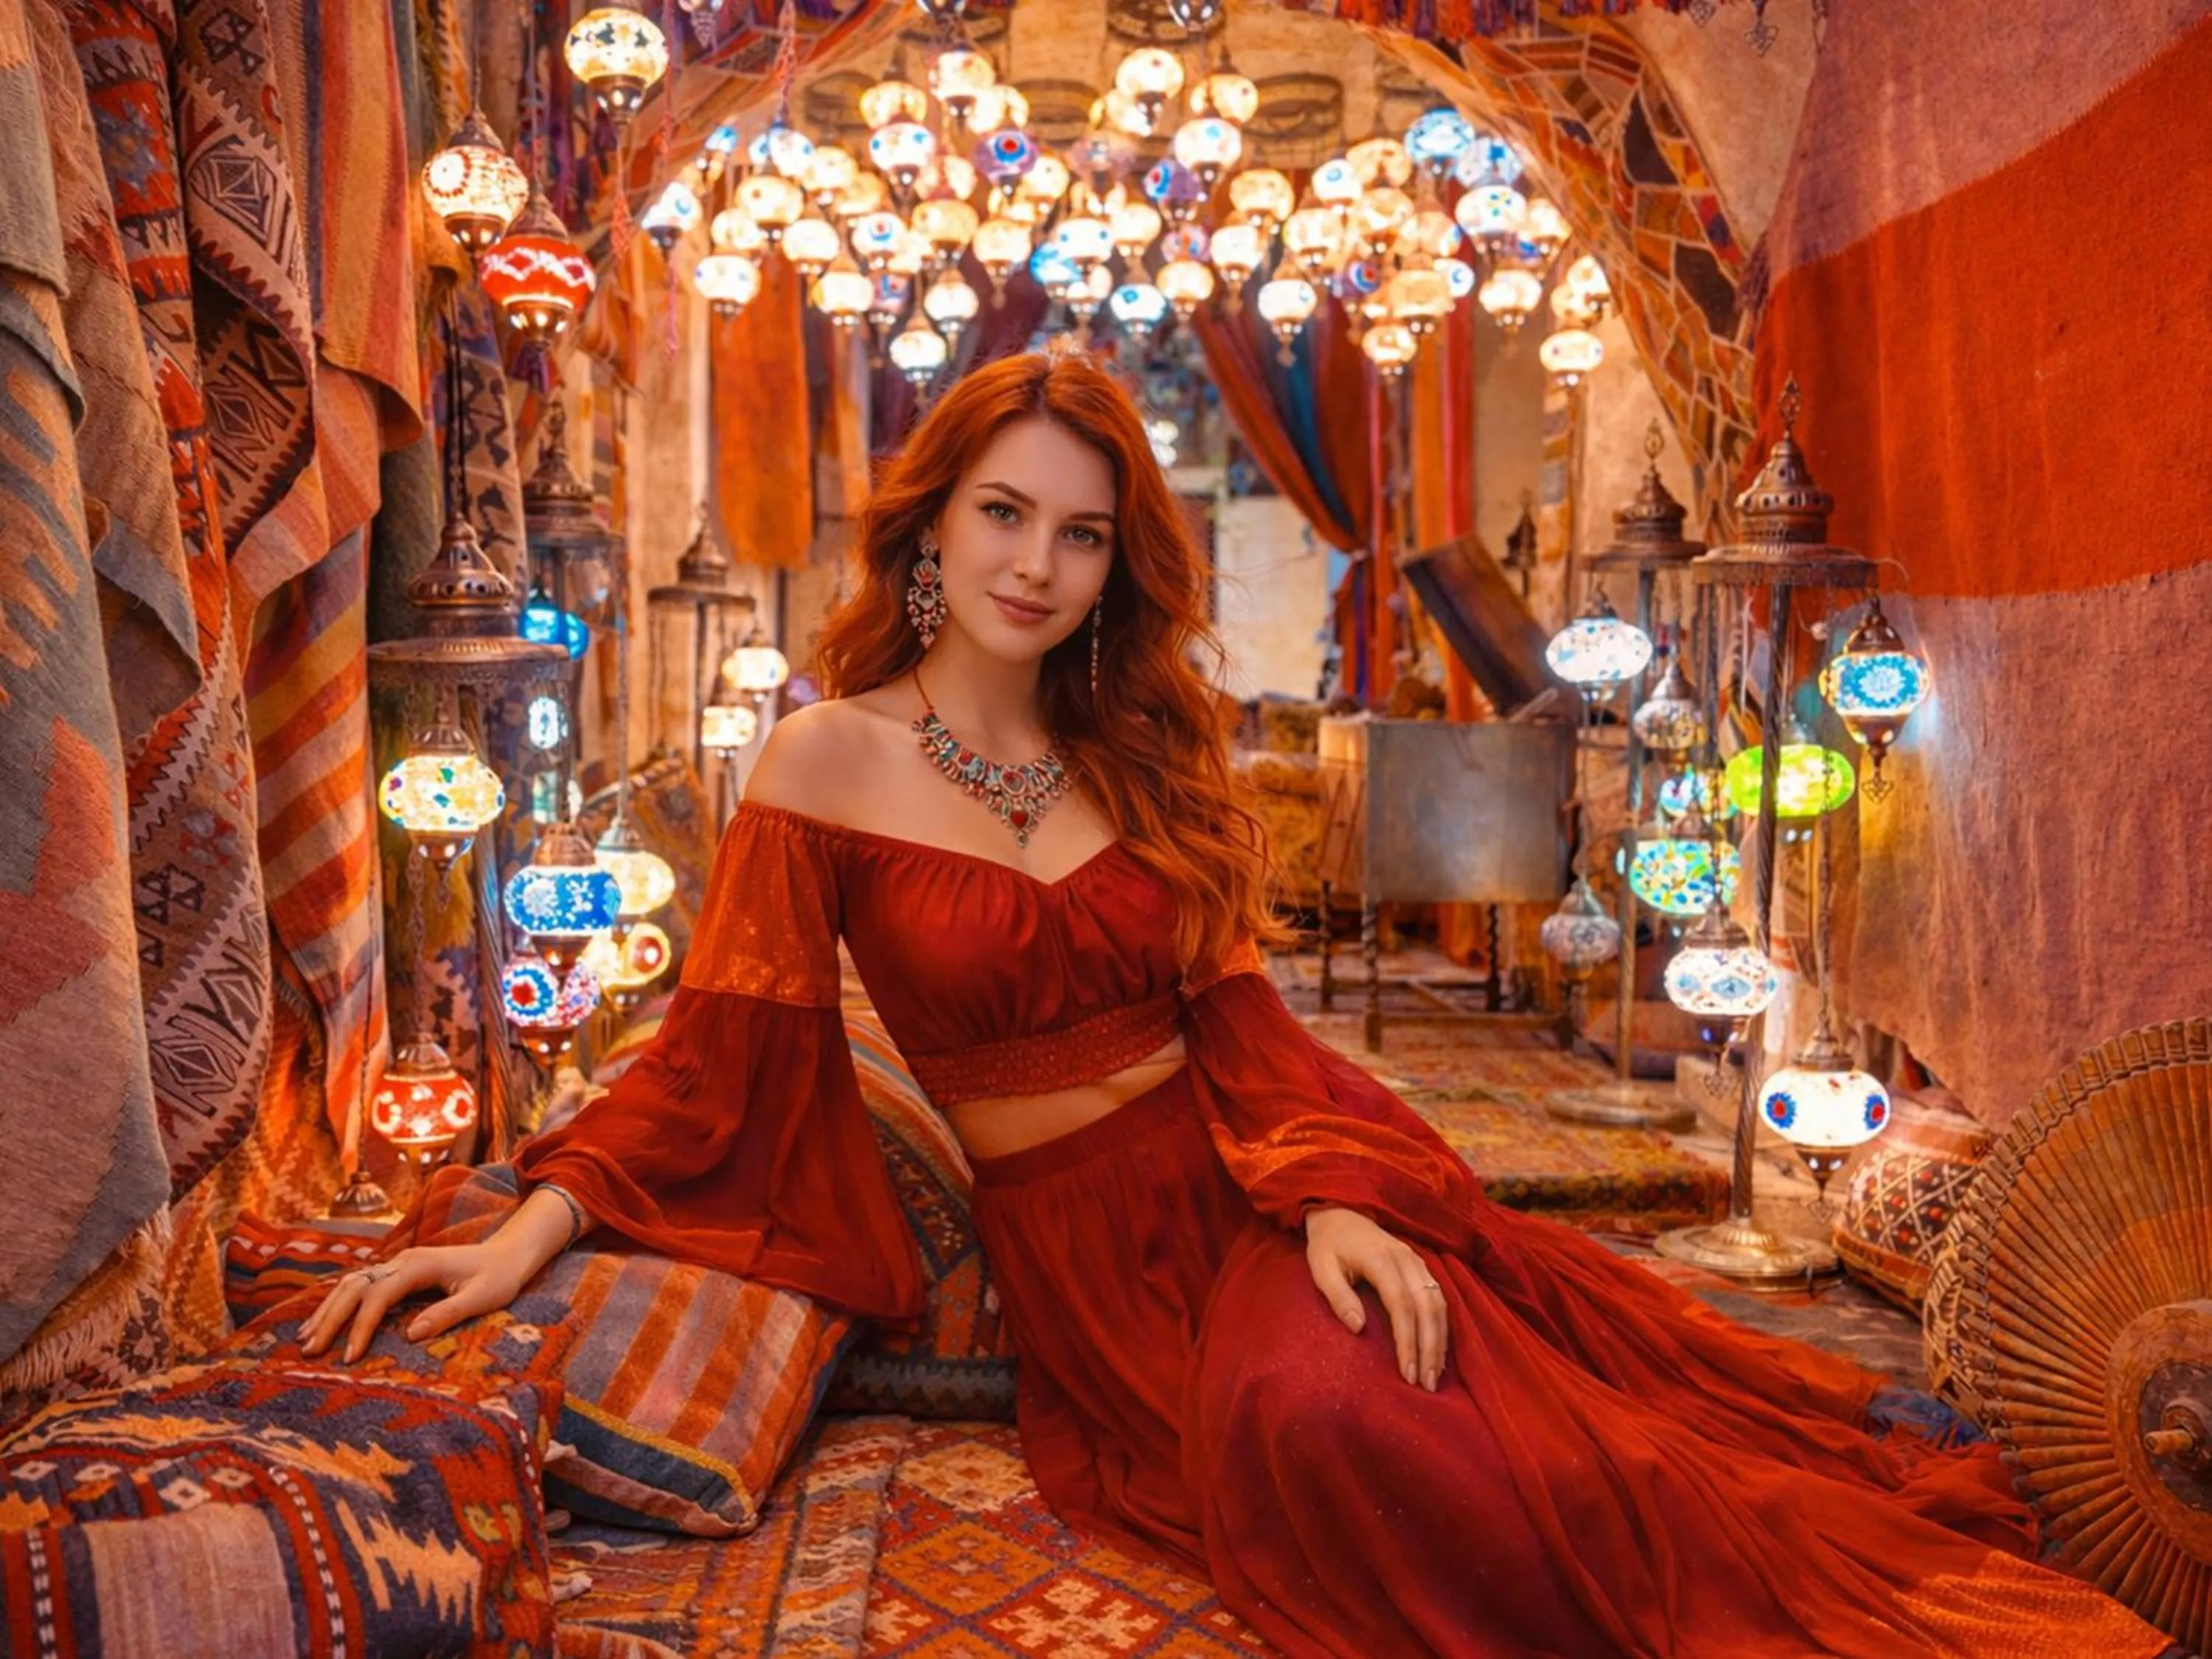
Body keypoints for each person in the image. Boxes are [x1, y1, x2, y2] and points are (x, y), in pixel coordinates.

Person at [305, 349, 2173, 1659]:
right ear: (931, 526)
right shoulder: (814, 767)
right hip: (1084, 1266)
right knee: (1336, 1448)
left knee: (1452, 1396)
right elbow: (713, 1077)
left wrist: (1341, 1194)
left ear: (1122, 563)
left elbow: (1251, 1039)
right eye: (1006, 516)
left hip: (1253, 1184)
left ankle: (1784, 1526)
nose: (1039, 565)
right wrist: (523, 1224)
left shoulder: (1144, 755)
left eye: (1086, 535)